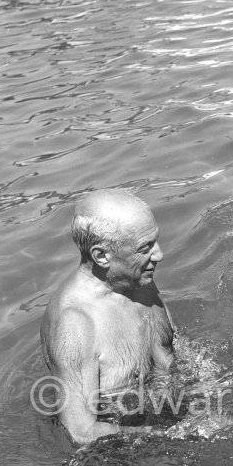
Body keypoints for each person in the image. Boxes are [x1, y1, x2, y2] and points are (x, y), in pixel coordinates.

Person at [40, 189, 176, 445]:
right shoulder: (76, 324)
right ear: (101, 255)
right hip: (112, 454)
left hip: (159, 417)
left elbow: (167, 362)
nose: (159, 255)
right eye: (145, 247)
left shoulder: (138, 281)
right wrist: (168, 437)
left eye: (155, 241)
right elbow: (81, 432)